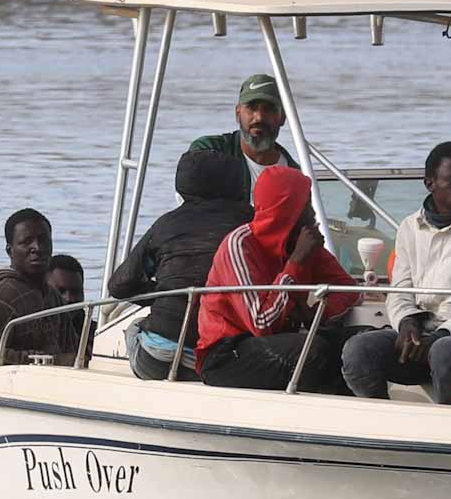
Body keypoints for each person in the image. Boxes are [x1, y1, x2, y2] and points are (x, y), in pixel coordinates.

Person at [341, 142, 451, 405]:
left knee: (445, 351)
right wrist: (407, 322)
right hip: (425, 335)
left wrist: (442, 334)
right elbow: (400, 291)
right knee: (359, 350)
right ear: (429, 183)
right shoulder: (409, 227)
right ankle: (382, 417)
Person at [195, 167, 357, 392]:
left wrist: (318, 314)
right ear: (287, 210)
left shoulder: (302, 242)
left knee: (360, 344)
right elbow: (261, 324)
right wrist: (296, 262)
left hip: (279, 340)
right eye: (306, 206)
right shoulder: (240, 245)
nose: (313, 214)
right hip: (226, 353)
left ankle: (359, 408)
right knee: (312, 351)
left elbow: (348, 288)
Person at [108, 148, 252, 379]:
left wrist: (165, 294)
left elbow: (120, 285)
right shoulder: (251, 222)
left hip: (158, 358)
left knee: (135, 327)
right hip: (220, 358)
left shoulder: (166, 224)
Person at [0, 209, 77, 375]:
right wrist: (40, 361)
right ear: (10, 250)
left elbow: (71, 352)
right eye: (26, 242)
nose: (37, 248)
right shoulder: (2, 295)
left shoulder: (53, 297)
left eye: (44, 241)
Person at [187, 73, 301, 203]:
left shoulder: (295, 176)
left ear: (283, 117)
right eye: (251, 108)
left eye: (268, 109)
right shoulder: (209, 151)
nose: (259, 117)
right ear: (238, 113)